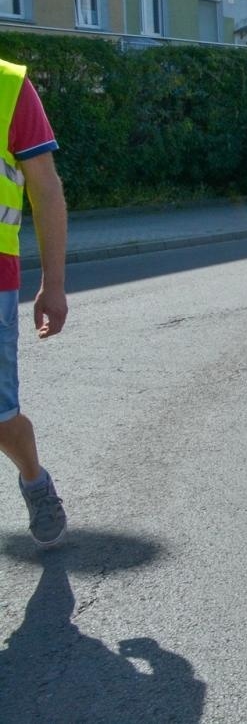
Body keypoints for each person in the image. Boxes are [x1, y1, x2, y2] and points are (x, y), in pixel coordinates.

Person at [0, 60, 68, 546]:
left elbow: (45, 190)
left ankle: (34, 479)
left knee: (1, 418)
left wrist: (54, 282)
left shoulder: (8, 84)